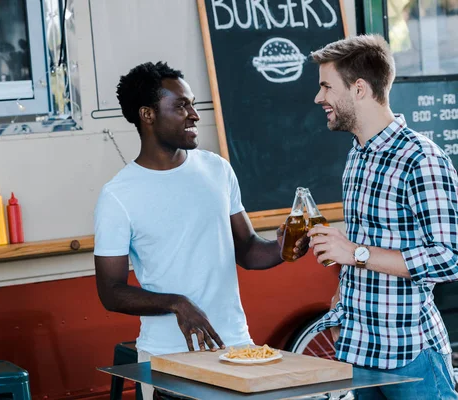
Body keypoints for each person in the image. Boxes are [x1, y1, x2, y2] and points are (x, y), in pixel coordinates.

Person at [93, 61, 307, 399]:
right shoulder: (118, 195)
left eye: (192, 103)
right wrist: (177, 303)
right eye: (181, 106)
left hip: (236, 347)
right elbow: (111, 291)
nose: (194, 114)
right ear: (147, 115)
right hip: (168, 359)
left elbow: (249, 250)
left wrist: (283, 248)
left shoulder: (217, 169)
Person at [308, 34, 458, 399]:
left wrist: (354, 252)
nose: (319, 98)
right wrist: (341, 304)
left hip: (412, 356)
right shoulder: (357, 155)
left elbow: (449, 257)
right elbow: (371, 240)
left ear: (359, 89)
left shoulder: (421, 159)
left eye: (327, 87)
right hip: (360, 352)